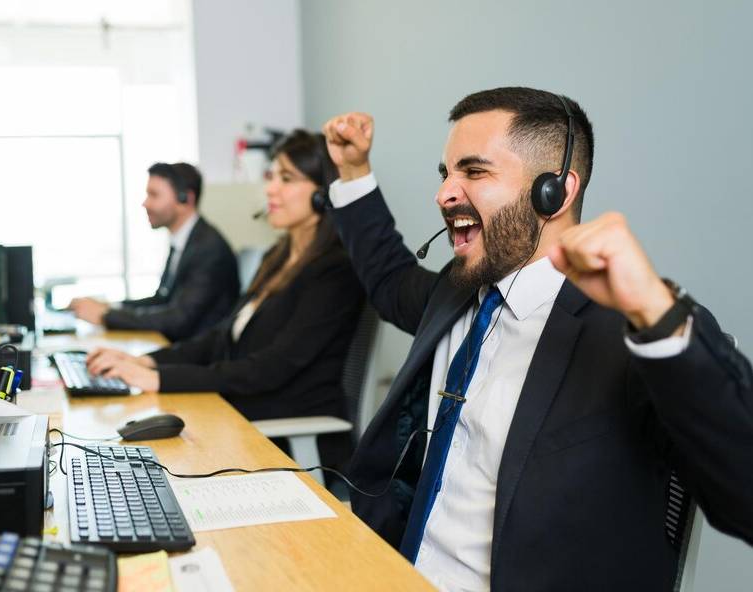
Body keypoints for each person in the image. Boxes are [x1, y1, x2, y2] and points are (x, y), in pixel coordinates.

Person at [321, 87, 753, 591]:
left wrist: (658, 313)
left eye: (474, 171)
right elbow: (390, 279)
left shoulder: (627, 335)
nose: (444, 194)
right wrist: (353, 173)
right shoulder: (456, 291)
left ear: (555, 191)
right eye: (446, 174)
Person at [86, 130, 364, 425]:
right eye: (271, 176)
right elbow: (221, 337)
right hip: (241, 407)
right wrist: (147, 361)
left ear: (324, 191)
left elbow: (269, 368)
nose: (270, 189)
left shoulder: (334, 270)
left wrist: (158, 378)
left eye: (287, 178)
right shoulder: (277, 256)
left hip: (283, 425)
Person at [70, 162, 239, 342]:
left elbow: (178, 319)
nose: (145, 203)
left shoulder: (208, 248)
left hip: (197, 358)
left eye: (154, 195)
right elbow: (161, 299)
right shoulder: (185, 241)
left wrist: (107, 316)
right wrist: (110, 307)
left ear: (185, 199)